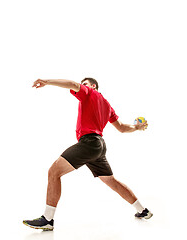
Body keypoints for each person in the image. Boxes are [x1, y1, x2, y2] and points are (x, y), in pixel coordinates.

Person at [23, 78, 152, 231]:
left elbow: (72, 85)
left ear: (93, 86)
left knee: (54, 172)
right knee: (111, 181)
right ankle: (143, 210)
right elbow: (122, 128)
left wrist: (47, 81)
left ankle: (47, 219)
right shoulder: (107, 105)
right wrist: (137, 127)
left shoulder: (89, 93)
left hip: (89, 143)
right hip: (99, 146)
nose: (81, 87)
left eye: (85, 84)